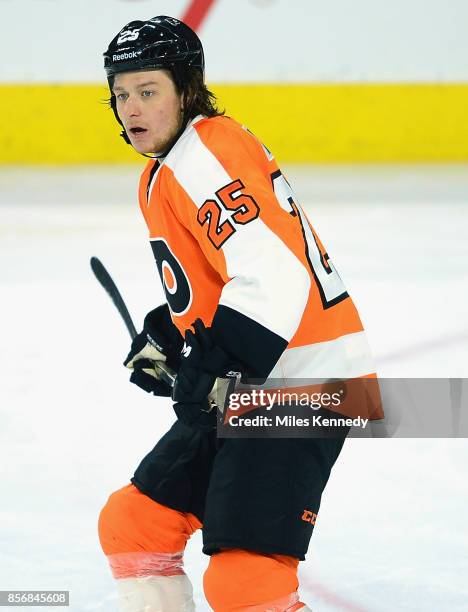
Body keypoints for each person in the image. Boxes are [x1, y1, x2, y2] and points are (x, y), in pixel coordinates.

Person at [97, 15, 376, 612]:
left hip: (307, 381)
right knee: (135, 524)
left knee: (245, 583)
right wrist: (170, 335)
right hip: (255, 380)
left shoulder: (205, 153)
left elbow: (273, 275)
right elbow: (223, 279)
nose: (131, 108)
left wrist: (218, 362)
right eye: (122, 94)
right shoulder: (167, 167)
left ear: (186, 87)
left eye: (148, 91)